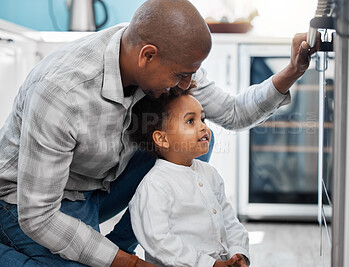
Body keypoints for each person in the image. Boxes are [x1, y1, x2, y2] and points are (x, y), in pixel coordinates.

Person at [0, 0, 321, 266]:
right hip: (33, 203)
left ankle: (118, 245)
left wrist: (293, 70)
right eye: (181, 75)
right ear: (147, 56)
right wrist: (132, 264)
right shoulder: (62, 93)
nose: (186, 85)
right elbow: (39, 216)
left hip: (98, 186)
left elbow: (234, 113)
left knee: (190, 138)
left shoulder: (171, 61)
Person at [129, 87, 249, 267]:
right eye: (190, 121)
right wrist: (208, 264)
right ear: (162, 139)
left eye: (202, 118)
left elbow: (229, 219)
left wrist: (239, 251)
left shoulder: (210, 174)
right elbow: (160, 241)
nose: (203, 127)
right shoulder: (156, 185)